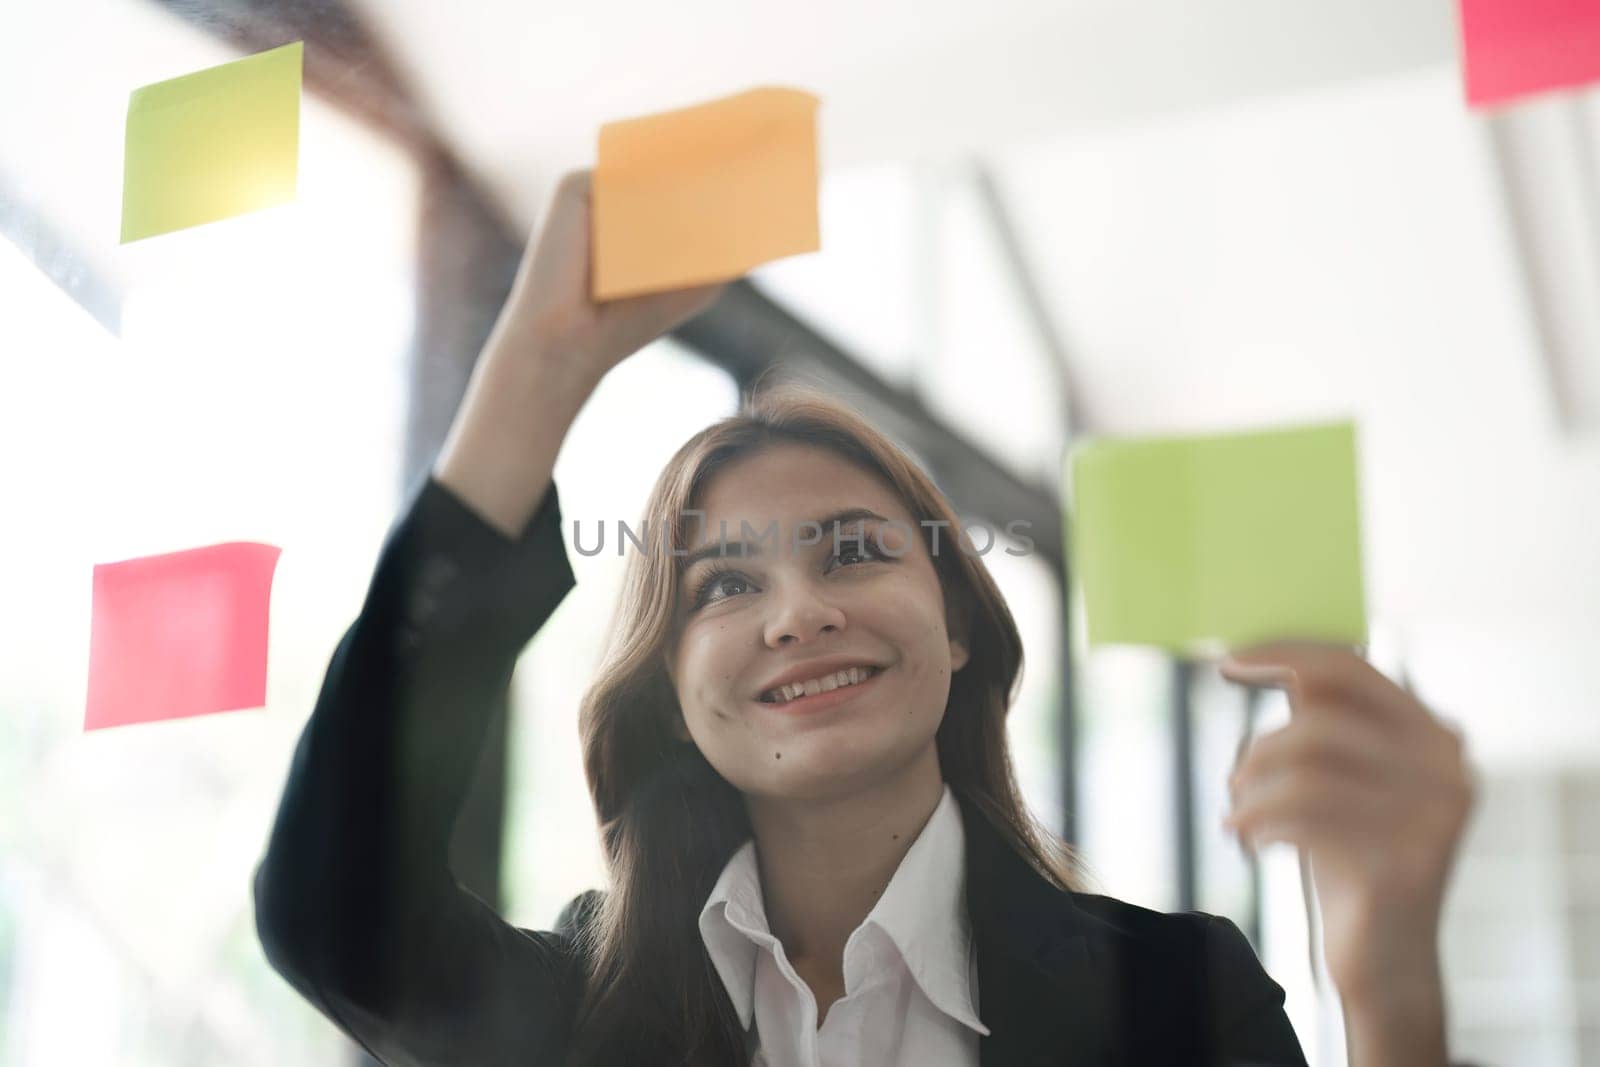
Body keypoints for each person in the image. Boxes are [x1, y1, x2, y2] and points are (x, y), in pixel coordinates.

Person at [253, 170, 1476, 1067]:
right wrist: (535, 368)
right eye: (724, 583)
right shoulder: (579, 1010)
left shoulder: (1177, 996)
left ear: (954, 627)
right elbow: (329, 908)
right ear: (672, 693)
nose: (799, 613)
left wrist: (1393, 997)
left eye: (851, 551)